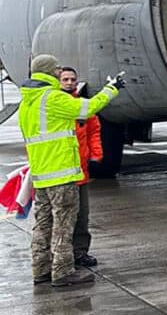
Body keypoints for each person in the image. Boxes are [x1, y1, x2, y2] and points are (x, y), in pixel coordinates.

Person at [18, 54, 120, 288]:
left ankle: (41, 270)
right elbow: (87, 108)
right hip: (62, 175)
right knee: (64, 225)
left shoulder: (27, 103)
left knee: (42, 225)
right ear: (49, 72)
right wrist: (111, 89)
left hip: (42, 176)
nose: (58, 73)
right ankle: (63, 271)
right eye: (56, 70)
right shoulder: (52, 98)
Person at [58, 67, 103, 268]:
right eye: (65, 79)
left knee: (81, 217)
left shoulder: (82, 107)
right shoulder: (56, 105)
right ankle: (62, 256)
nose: (69, 82)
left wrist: (96, 155)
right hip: (61, 173)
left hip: (81, 171)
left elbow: (93, 131)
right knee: (63, 219)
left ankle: (80, 253)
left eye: (72, 79)